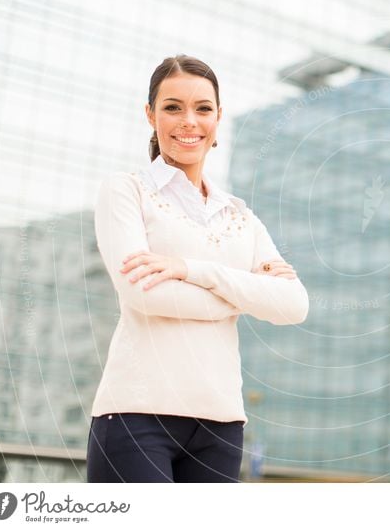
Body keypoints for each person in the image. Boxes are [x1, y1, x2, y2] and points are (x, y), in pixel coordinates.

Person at [86, 54, 309, 483]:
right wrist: (241, 298)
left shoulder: (240, 217)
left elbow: (293, 305)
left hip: (221, 426)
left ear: (218, 117)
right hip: (135, 416)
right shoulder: (127, 191)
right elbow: (144, 294)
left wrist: (191, 270)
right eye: (173, 107)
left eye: (203, 108)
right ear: (150, 114)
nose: (189, 121)